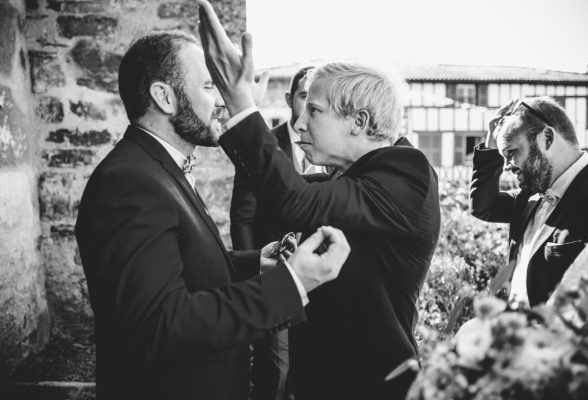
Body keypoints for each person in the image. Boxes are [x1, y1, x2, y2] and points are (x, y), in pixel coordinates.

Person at [74, 30, 350, 400]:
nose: (222, 100)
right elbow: (161, 325)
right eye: (209, 86)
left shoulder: (156, 167)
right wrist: (291, 283)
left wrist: (256, 263)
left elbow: (179, 268)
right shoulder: (129, 182)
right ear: (165, 97)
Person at [198, 3, 441, 399]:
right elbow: (283, 192)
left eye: (314, 110)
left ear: (358, 122)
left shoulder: (407, 171)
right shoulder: (344, 177)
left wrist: (243, 105)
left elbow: (295, 201)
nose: (297, 124)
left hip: (373, 384)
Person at [230, 66, 327, 400]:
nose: (310, 108)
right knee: (276, 370)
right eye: (305, 97)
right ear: (290, 99)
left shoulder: (332, 149)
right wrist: (254, 278)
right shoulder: (264, 145)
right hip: (275, 276)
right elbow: (242, 218)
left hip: (321, 282)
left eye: (319, 102)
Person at [470, 97, 588, 308]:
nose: (506, 167)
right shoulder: (529, 196)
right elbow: (483, 206)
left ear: (547, 138)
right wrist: (491, 144)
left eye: (511, 152)